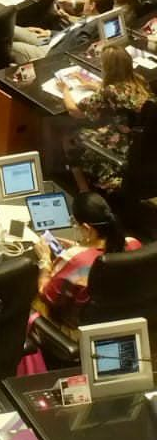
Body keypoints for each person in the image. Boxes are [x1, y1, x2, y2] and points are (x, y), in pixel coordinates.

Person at [34, 190, 140, 325]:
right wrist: (79, 247)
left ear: (87, 228)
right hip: (124, 317)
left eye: (76, 224)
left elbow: (46, 295)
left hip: (78, 328)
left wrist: (44, 260)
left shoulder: (78, 261)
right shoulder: (133, 244)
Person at [62, 43, 151, 193]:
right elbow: (120, 94)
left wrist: (64, 89)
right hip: (142, 145)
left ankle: (85, 194)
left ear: (108, 68)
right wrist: (93, 85)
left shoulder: (109, 91)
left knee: (69, 138)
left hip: (123, 147)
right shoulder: (139, 81)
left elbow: (74, 111)